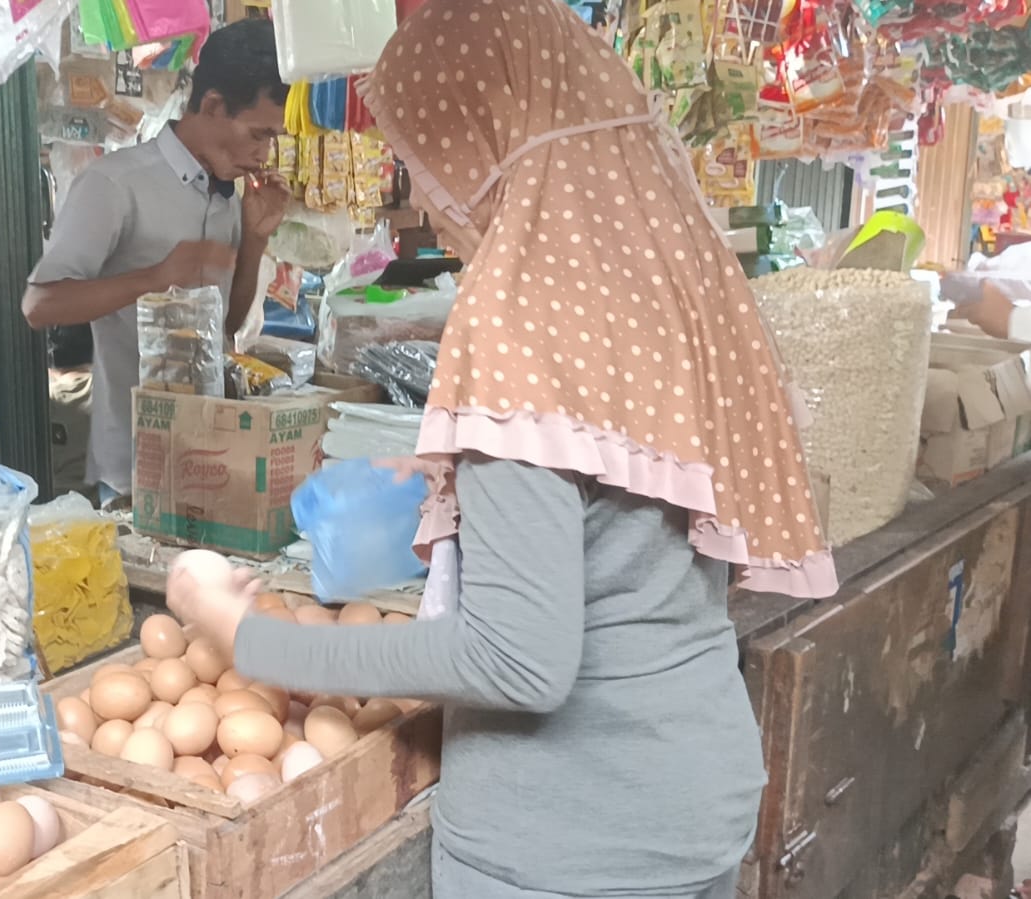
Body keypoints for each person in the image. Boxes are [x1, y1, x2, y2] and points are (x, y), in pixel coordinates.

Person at [165, 1, 840, 897]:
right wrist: (469, 486)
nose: (424, 202)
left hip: (567, 835)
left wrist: (254, 639)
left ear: (485, 141)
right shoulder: (672, 283)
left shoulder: (519, 315)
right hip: (690, 794)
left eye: (424, 163)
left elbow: (516, 661)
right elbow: (620, 509)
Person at [21, 19, 291, 507]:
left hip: (210, 458)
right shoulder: (114, 185)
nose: (263, 152)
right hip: (132, 471)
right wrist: (157, 277)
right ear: (211, 106)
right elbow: (39, 305)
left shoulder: (227, 195)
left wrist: (253, 240)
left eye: (272, 138)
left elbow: (225, 326)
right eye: (258, 133)